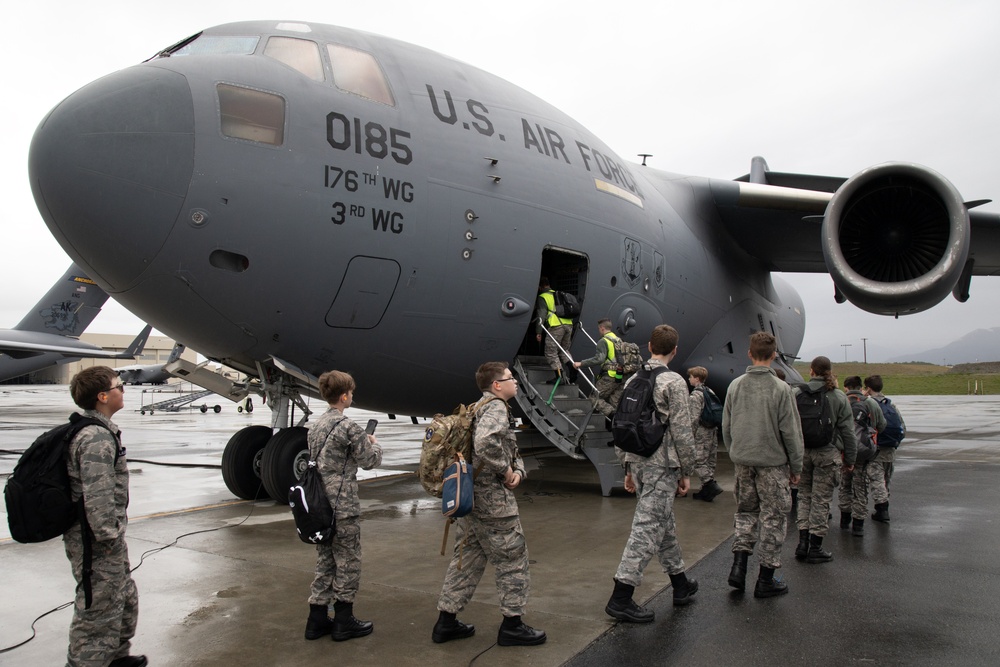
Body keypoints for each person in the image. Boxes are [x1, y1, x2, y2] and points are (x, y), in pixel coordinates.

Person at [433, 362, 546, 646]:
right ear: (497, 385)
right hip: (494, 503)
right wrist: (507, 472)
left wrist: (516, 467)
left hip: (472, 500)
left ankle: (446, 622)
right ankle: (512, 624)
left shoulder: (476, 407)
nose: (516, 382)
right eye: (511, 378)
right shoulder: (496, 408)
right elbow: (485, 444)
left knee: (468, 559)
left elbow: (501, 446)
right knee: (513, 559)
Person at [604, 324, 699, 623]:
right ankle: (621, 597)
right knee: (647, 529)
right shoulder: (674, 382)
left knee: (662, 522)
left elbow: (622, 422)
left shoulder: (634, 378)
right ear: (675, 350)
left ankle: (680, 584)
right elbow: (683, 431)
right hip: (661, 464)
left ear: (649, 346)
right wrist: (687, 470)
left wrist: (627, 466)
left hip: (639, 460)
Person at [64, 366, 147, 667]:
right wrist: (111, 541)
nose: (123, 390)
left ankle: (115, 658)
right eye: (118, 386)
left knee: (123, 602)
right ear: (102, 396)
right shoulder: (95, 438)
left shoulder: (102, 431)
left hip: (105, 541)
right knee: (98, 613)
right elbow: (98, 503)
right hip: (97, 544)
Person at [722, 333, 803, 598]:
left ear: (749, 354)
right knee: (773, 517)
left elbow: (727, 425)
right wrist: (796, 465)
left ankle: (738, 567)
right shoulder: (782, 390)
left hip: (743, 461)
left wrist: (736, 450)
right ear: (774, 355)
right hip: (771, 463)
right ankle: (766, 578)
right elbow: (790, 431)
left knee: (745, 512)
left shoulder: (735, 386)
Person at [305, 370, 383, 642]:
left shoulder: (316, 426)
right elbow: (370, 461)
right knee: (348, 559)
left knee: (325, 559)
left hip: (319, 502)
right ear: (344, 396)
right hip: (342, 501)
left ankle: (316, 619)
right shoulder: (348, 426)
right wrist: (374, 444)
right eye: (351, 392)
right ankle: (343, 620)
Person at [792, 357, 857, 564]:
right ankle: (815, 546)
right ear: (829, 372)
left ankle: (802, 543)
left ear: (811, 371)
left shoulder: (797, 394)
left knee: (804, 496)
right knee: (821, 499)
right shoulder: (838, 396)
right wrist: (851, 458)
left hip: (802, 453)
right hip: (827, 453)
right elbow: (848, 431)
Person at [838, 376, 886, 537]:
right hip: (863, 451)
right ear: (860, 387)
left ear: (846, 387)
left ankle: (844, 519)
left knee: (845, 485)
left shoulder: (841, 400)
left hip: (843, 450)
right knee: (860, 488)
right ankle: (858, 525)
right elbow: (881, 424)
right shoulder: (870, 403)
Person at [864, 374, 903, 523]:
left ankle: (882, 509)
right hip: (891, 448)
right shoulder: (890, 405)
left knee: (877, 479)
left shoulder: (869, 404)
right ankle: (884, 504)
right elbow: (902, 427)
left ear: (868, 388)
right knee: (887, 478)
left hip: (876, 448)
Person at [573, 318, 624, 418]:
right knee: (613, 400)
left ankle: (613, 416)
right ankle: (614, 421)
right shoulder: (618, 340)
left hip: (609, 375)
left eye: (598, 328)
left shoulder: (603, 341)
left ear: (602, 328)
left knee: (593, 398)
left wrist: (582, 363)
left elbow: (599, 359)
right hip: (619, 374)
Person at [687, 366, 722, 501]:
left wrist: (690, 434)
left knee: (698, 460)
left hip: (702, 431)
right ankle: (706, 491)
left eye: (690, 377)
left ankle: (709, 484)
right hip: (712, 430)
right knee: (709, 459)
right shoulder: (709, 391)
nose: (689, 379)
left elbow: (694, 417)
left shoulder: (695, 395)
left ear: (696, 378)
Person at [535, 277, 575, 384]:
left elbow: (541, 315)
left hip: (556, 327)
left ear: (540, 287)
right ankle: (572, 367)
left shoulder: (543, 296)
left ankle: (559, 377)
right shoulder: (558, 294)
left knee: (551, 352)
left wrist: (538, 331)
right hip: (568, 325)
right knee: (563, 350)